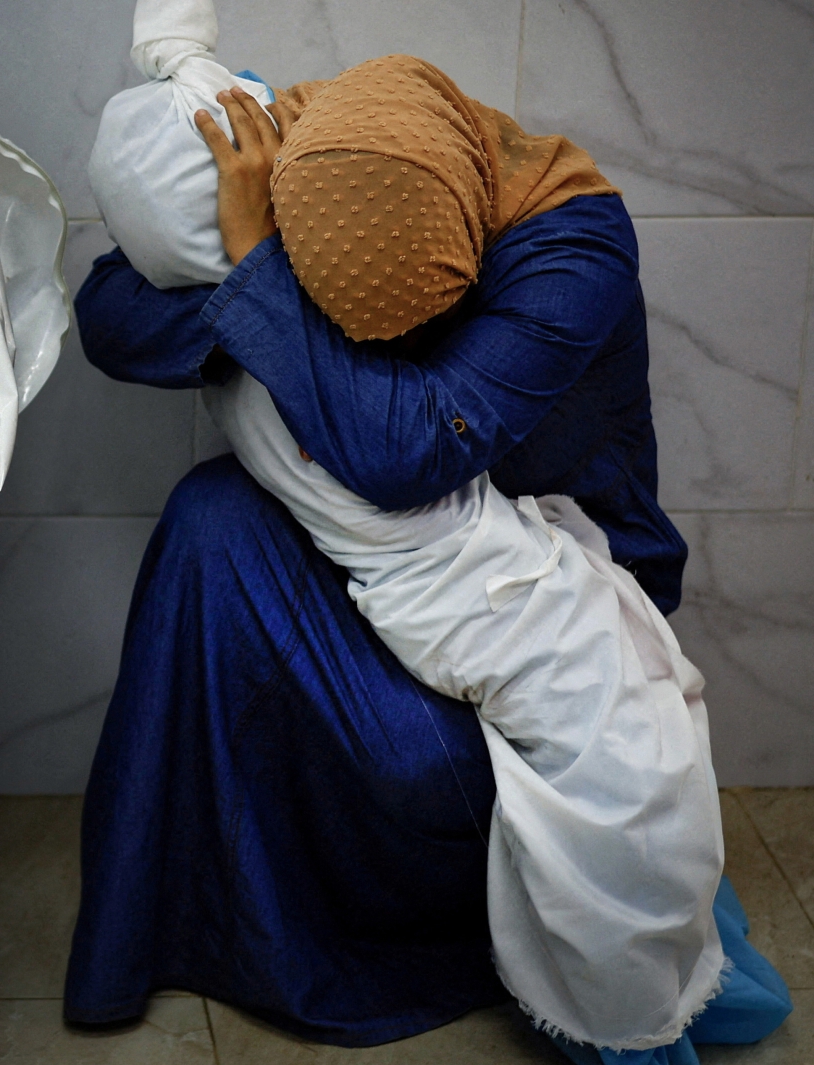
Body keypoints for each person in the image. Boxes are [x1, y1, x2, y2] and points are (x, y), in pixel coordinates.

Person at [65, 37, 792, 1065]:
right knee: (211, 517)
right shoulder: (320, 164)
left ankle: (546, 948)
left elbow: (407, 451)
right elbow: (110, 313)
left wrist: (261, 275)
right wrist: (253, 250)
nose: (372, 332)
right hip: (388, 545)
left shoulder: (572, 250)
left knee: (420, 758)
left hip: (542, 564)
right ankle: (182, 924)